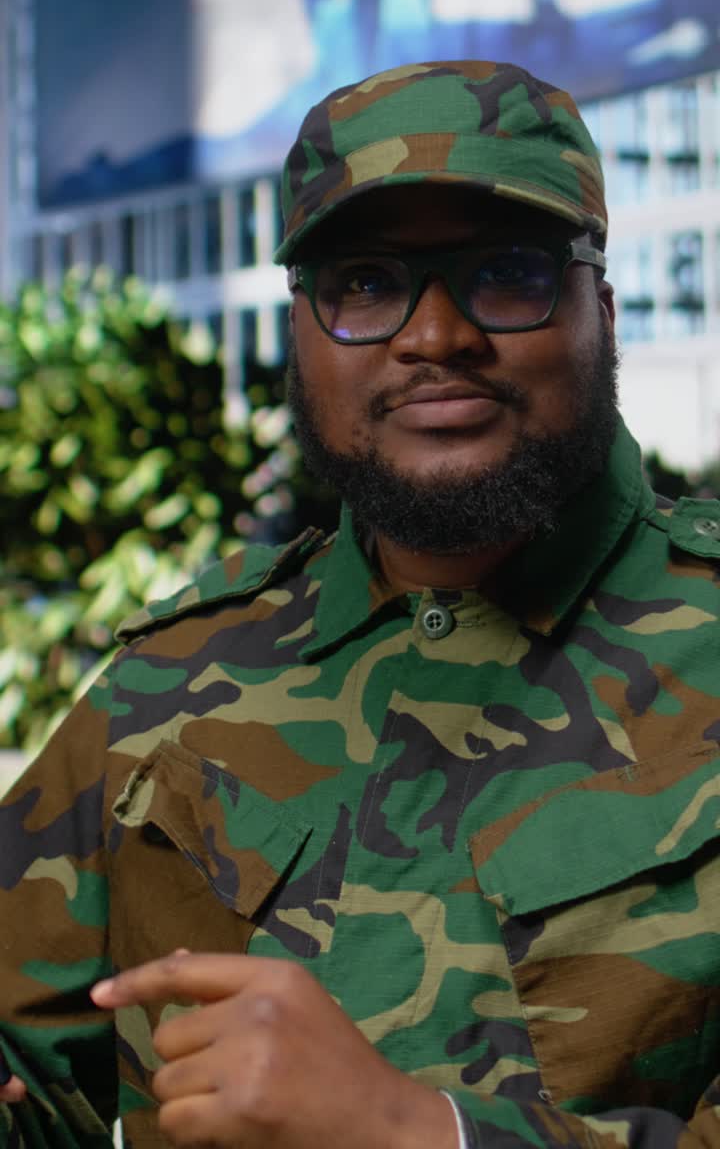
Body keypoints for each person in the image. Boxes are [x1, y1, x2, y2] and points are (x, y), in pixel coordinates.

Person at [2, 59, 720, 1149]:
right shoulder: (171, 679)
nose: (435, 338)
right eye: (367, 283)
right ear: (301, 329)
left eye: (510, 271)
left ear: (602, 309)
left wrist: (422, 1131)